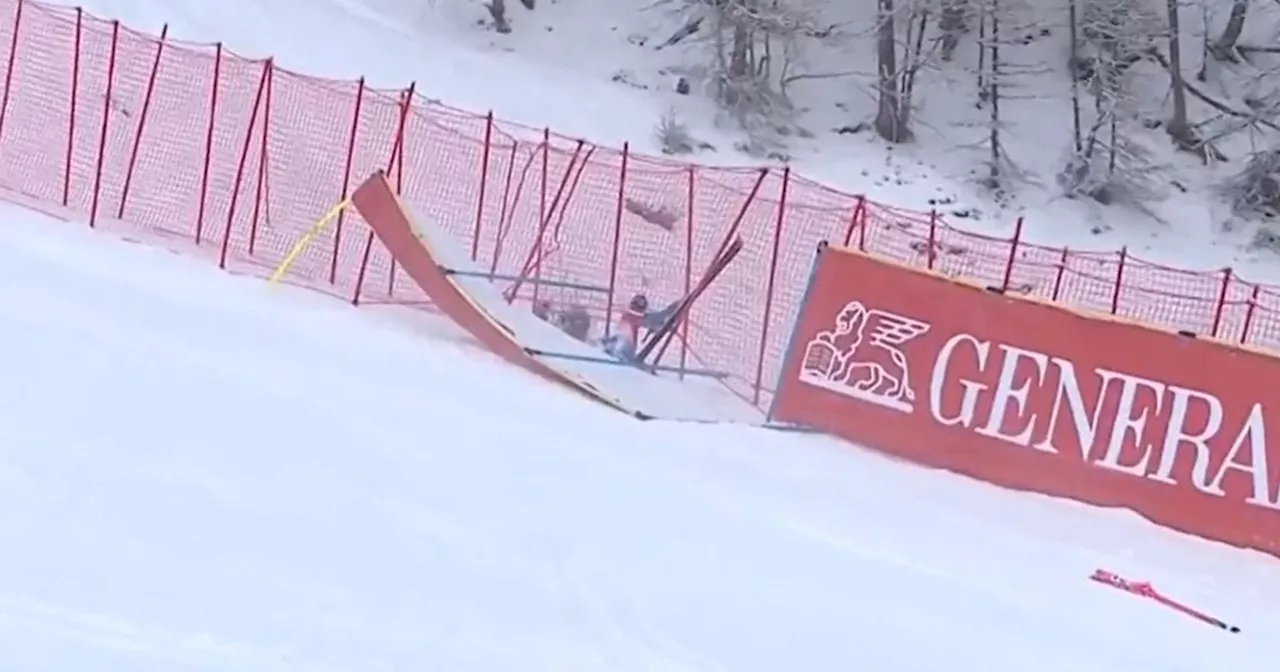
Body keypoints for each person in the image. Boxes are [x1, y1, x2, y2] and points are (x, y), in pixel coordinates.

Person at [600, 292, 680, 364]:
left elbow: (654, 321)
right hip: (623, 353)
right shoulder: (632, 317)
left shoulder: (629, 316)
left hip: (620, 350)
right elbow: (654, 320)